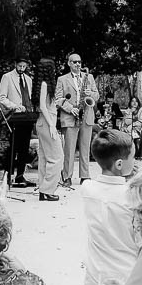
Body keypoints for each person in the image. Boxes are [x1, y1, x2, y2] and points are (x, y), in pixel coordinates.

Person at [76, 129, 140, 285]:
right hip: (127, 274)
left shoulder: (87, 189)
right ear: (120, 164)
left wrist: (125, 176)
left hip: (96, 272)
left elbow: (109, 189)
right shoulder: (133, 195)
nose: (135, 161)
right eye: (133, 157)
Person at [55, 52, 99, 186]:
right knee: (69, 149)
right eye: (74, 62)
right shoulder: (62, 79)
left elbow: (96, 95)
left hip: (86, 115)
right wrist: (70, 109)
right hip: (70, 116)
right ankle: (67, 177)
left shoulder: (89, 77)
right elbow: (58, 99)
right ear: (69, 63)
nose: (78, 64)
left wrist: (90, 94)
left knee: (85, 148)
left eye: (79, 62)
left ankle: (85, 176)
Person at [0, 54, 37, 188]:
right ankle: (8, 175)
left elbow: (29, 97)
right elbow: (1, 97)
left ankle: (20, 176)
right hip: (14, 117)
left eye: (24, 66)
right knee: (13, 147)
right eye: (20, 66)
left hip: (27, 117)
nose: (22, 69)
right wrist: (14, 106)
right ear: (15, 64)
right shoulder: (7, 77)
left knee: (24, 148)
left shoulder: (28, 79)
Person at [33, 58, 63, 201]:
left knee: (45, 158)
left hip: (43, 122)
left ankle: (43, 189)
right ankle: (48, 190)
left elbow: (45, 105)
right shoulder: (45, 84)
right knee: (57, 157)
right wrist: (51, 125)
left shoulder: (42, 84)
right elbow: (42, 106)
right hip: (46, 123)